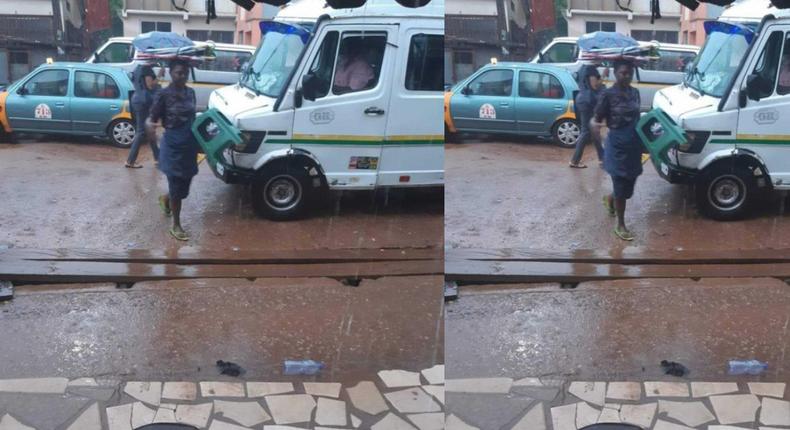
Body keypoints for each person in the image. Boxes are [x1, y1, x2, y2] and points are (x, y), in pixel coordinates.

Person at [147, 59, 199, 241]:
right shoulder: (163, 94)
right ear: (170, 73)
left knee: (184, 186)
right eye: (178, 72)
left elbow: (194, 119)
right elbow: (151, 118)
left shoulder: (191, 93)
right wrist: (151, 130)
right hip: (173, 145)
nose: (182, 76)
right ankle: (176, 225)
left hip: (189, 144)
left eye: (185, 72)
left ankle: (166, 199)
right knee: (177, 185)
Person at [591, 60, 642, 241]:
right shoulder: (607, 95)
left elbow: (638, 119)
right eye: (623, 72)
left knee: (628, 186)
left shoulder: (635, 93)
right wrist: (600, 147)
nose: (626, 76)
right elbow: (595, 120)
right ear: (615, 73)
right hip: (617, 146)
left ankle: (610, 199)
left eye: (629, 73)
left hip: (634, 145)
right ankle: (620, 224)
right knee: (621, 185)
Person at [126, 64, 162, 168]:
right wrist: (159, 75)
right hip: (143, 102)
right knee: (141, 131)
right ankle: (130, 161)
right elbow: (150, 85)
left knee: (149, 130)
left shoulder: (138, 68)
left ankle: (158, 158)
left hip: (138, 99)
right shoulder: (146, 69)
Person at [569, 65, 605, 168]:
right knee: (586, 131)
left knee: (594, 130)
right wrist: (603, 76)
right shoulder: (591, 69)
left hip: (582, 99)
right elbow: (594, 86)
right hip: (588, 101)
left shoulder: (582, 67)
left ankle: (602, 158)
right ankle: (575, 160)